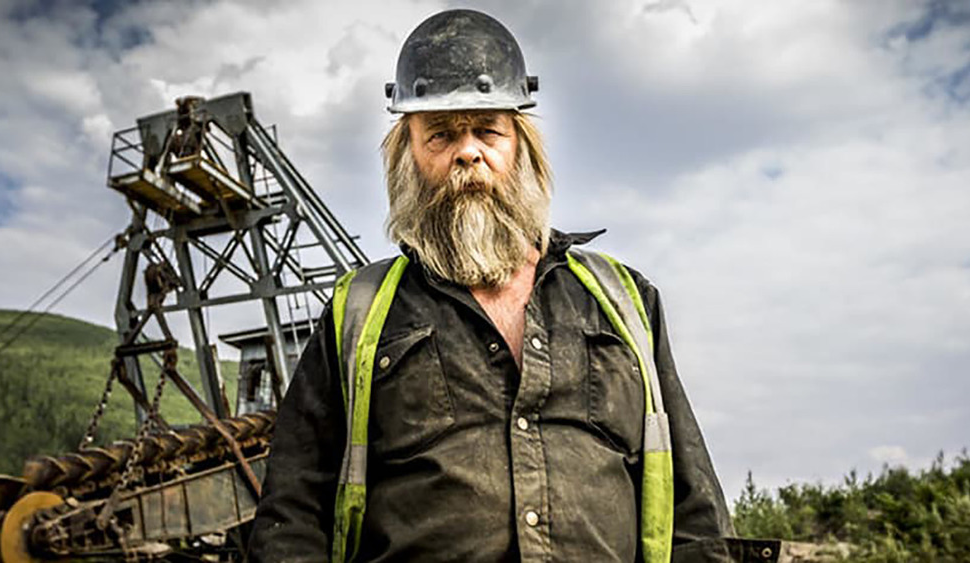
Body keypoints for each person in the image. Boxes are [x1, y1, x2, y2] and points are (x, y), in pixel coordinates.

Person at [249, 9, 733, 562]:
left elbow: (696, 515)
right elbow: (290, 519)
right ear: (407, 155)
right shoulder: (357, 315)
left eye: (487, 130)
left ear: (521, 147)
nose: (468, 152)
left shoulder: (625, 300)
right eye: (441, 135)